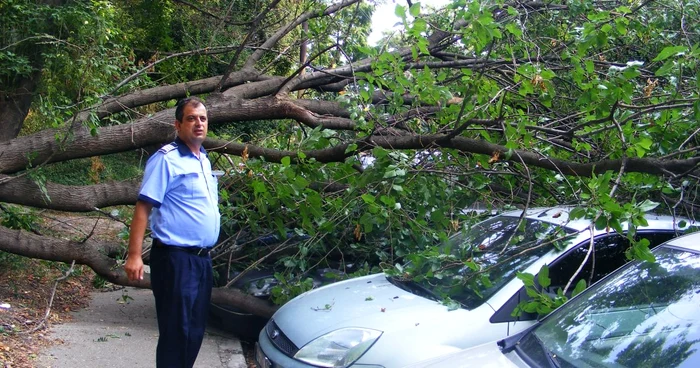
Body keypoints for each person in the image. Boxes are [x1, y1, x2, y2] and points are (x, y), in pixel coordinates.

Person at [124, 97, 220, 368]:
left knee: (194, 331)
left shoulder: (204, 161)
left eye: (202, 118)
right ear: (178, 125)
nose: (198, 123)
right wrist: (134, 256)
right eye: (191, 118)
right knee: (176, 333)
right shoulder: (167, 159)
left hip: (202, 260)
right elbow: (143, 207)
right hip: (176, 259)